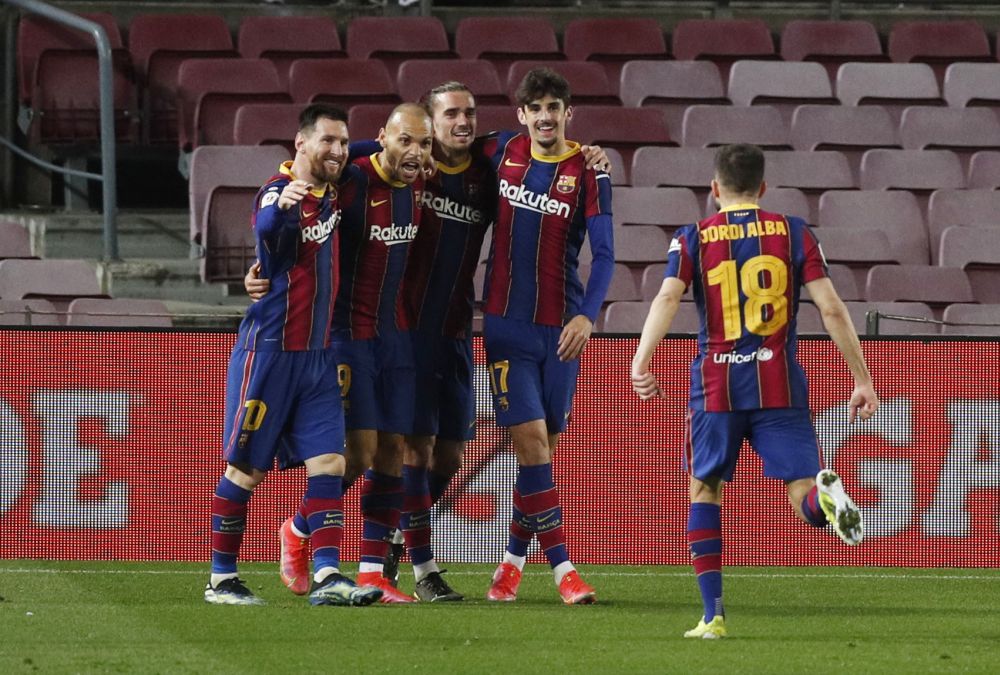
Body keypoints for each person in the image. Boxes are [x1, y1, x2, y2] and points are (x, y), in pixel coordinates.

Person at [630, 143, 880, 639]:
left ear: (714, 188)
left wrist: (641, 359)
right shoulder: (794, 232)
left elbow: (667, 296)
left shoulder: (693, 238)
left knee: (704, 489)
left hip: (717, 386)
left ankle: (713, 615)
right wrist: (862, 377)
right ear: (763, 188)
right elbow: (831, 307)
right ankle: (825, 503)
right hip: (779, 385)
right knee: (801, 490)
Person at [205, 103, 382, 607]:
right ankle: (220, 578)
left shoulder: (335, 187)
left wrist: (377, 144)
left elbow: (373, 150)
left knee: (330, 461)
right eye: (327, 141)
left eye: (344, 143)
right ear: (299, 143)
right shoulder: (277, 191)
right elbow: (266, 230)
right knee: (246, 470)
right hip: (269, 354)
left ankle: (327, 575)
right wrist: (282, 209)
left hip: (319, 356)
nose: (339, 151)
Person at [478, 67, 614, 605]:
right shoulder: (500, 152)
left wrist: (588, 316)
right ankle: (563, 570)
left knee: (542, 455)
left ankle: (508, 567)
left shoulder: (590, 171)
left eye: (554, 107)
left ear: (567, 114)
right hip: (506, 327)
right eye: (535, 107)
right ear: (522, 115)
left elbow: (604, 254)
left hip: (562, 332)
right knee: (532, 446)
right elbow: (432, 140)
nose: (544, 116)